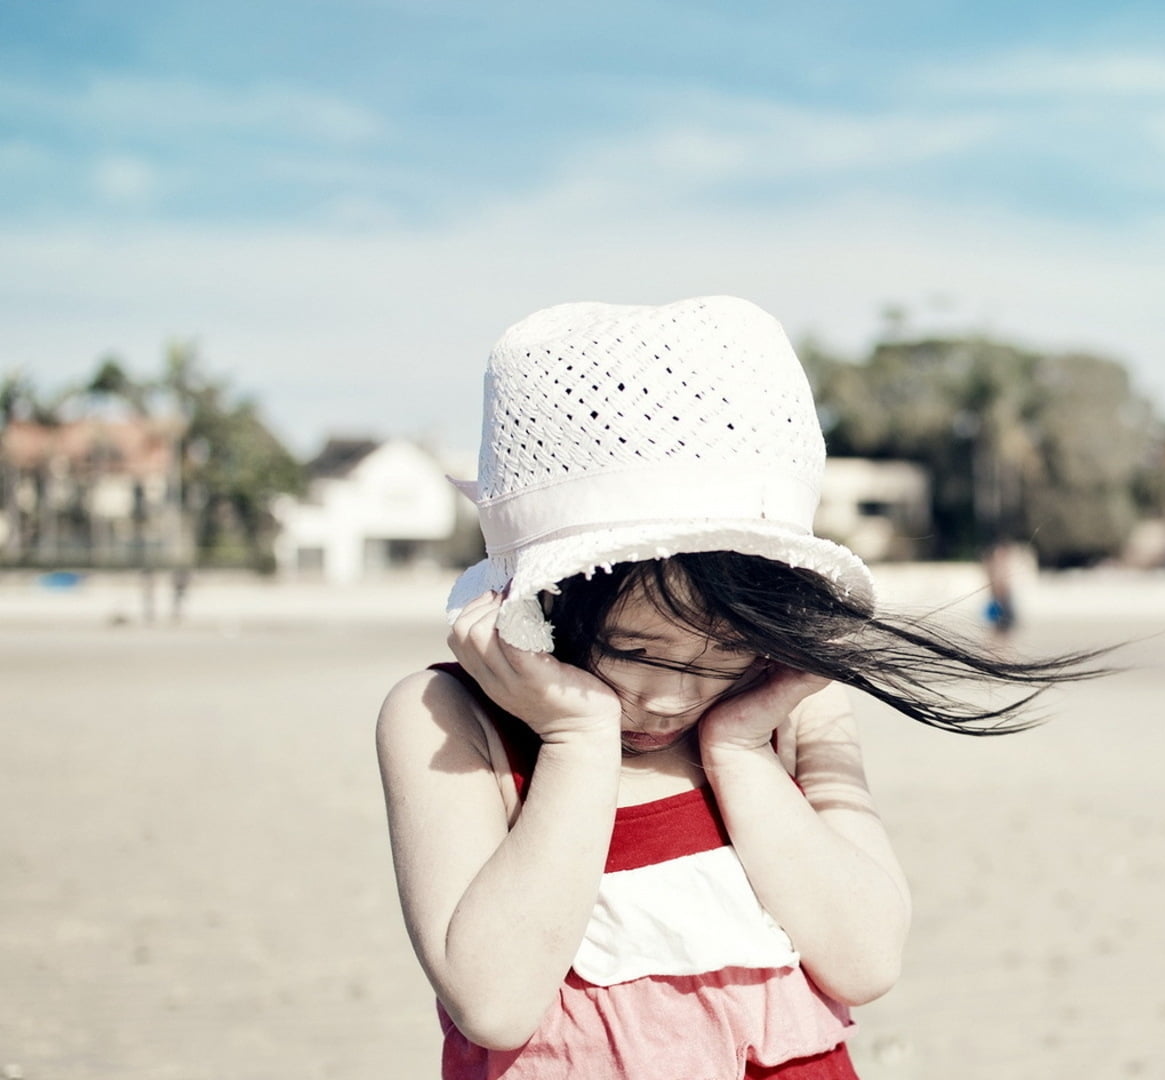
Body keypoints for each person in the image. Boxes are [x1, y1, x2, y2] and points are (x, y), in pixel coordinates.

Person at [376, 297, 1105, 1079]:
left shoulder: (795, 706)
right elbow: (495, 1002)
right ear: (544, 603)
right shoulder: (446, 719)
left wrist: (741, 749)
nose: (666, 697)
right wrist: (575, 739)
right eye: (631, 647)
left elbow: (863, 961)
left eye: (725, 649)